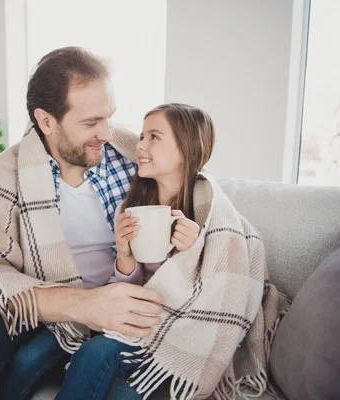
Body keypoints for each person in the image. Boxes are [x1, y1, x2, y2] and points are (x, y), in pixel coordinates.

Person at [0, 46, 164, 400]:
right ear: (46, 121)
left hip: (118, 301)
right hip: (35, 303)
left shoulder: (133, 158)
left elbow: (194, 188)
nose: (107, 133)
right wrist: (84, 305)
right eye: (91, 122)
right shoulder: (8, 173)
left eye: (108, 117)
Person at [59, 104, 290, 399]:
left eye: (154, 137)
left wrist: (194, 253)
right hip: (145, 324)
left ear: (187, 148)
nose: (140, 145)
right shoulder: (132, 206)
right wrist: (125, 255)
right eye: (141, 136)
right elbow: (131, 295)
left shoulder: (211, 213)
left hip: (188, 329)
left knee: (109, 369)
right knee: (96, 355)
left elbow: (223, 287)